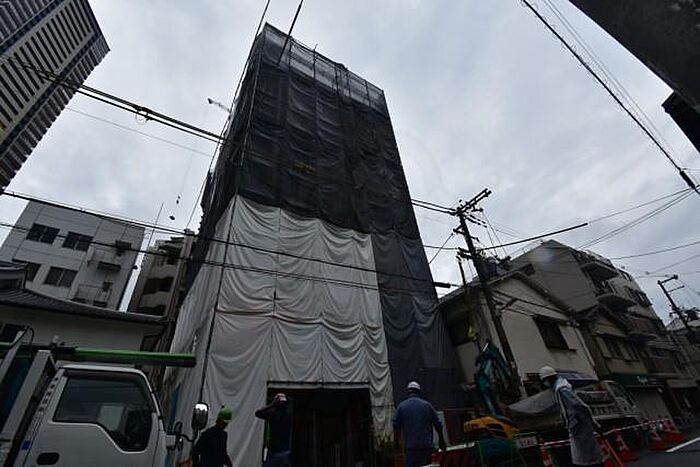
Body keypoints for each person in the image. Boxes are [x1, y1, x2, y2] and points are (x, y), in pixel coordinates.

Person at [539, 366, 603, 467]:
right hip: (577, 424)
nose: (545, 383)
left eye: (544, 380)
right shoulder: (560, 387)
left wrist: (593, 422)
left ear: (549, 378)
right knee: (584, 454)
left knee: (586, 454)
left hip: (578, 424)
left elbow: (580, 405)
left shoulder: (561, 389)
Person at [393, 381, 447, 467]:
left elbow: (396, 427)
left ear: (408, 392)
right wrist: (441, 440)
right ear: (419, 391)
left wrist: (396, 443)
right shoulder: (427, 406)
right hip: (427, 446)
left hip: (411, 449)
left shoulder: (401, 407)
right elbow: (438, 425)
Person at [255, 393, 292, 467]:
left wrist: (271, 405)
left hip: (274, 452)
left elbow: (258, 413)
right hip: (285, 452)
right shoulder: (288, 416)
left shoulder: (273, 415)